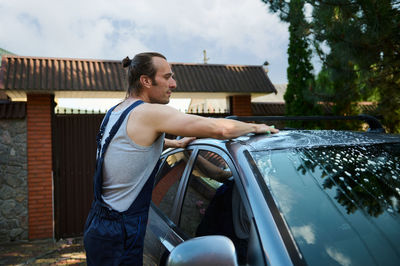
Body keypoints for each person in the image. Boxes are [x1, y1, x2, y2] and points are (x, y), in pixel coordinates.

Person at [83, 52, 278, 265]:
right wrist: (256, 127)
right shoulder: (149, 113)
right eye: (167, 77)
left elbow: (126, 144)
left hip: (99, 225)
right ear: (146, 81)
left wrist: (173, 144)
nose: (174, 84)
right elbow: (218, 129)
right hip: (119, 235)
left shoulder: (117, 111)